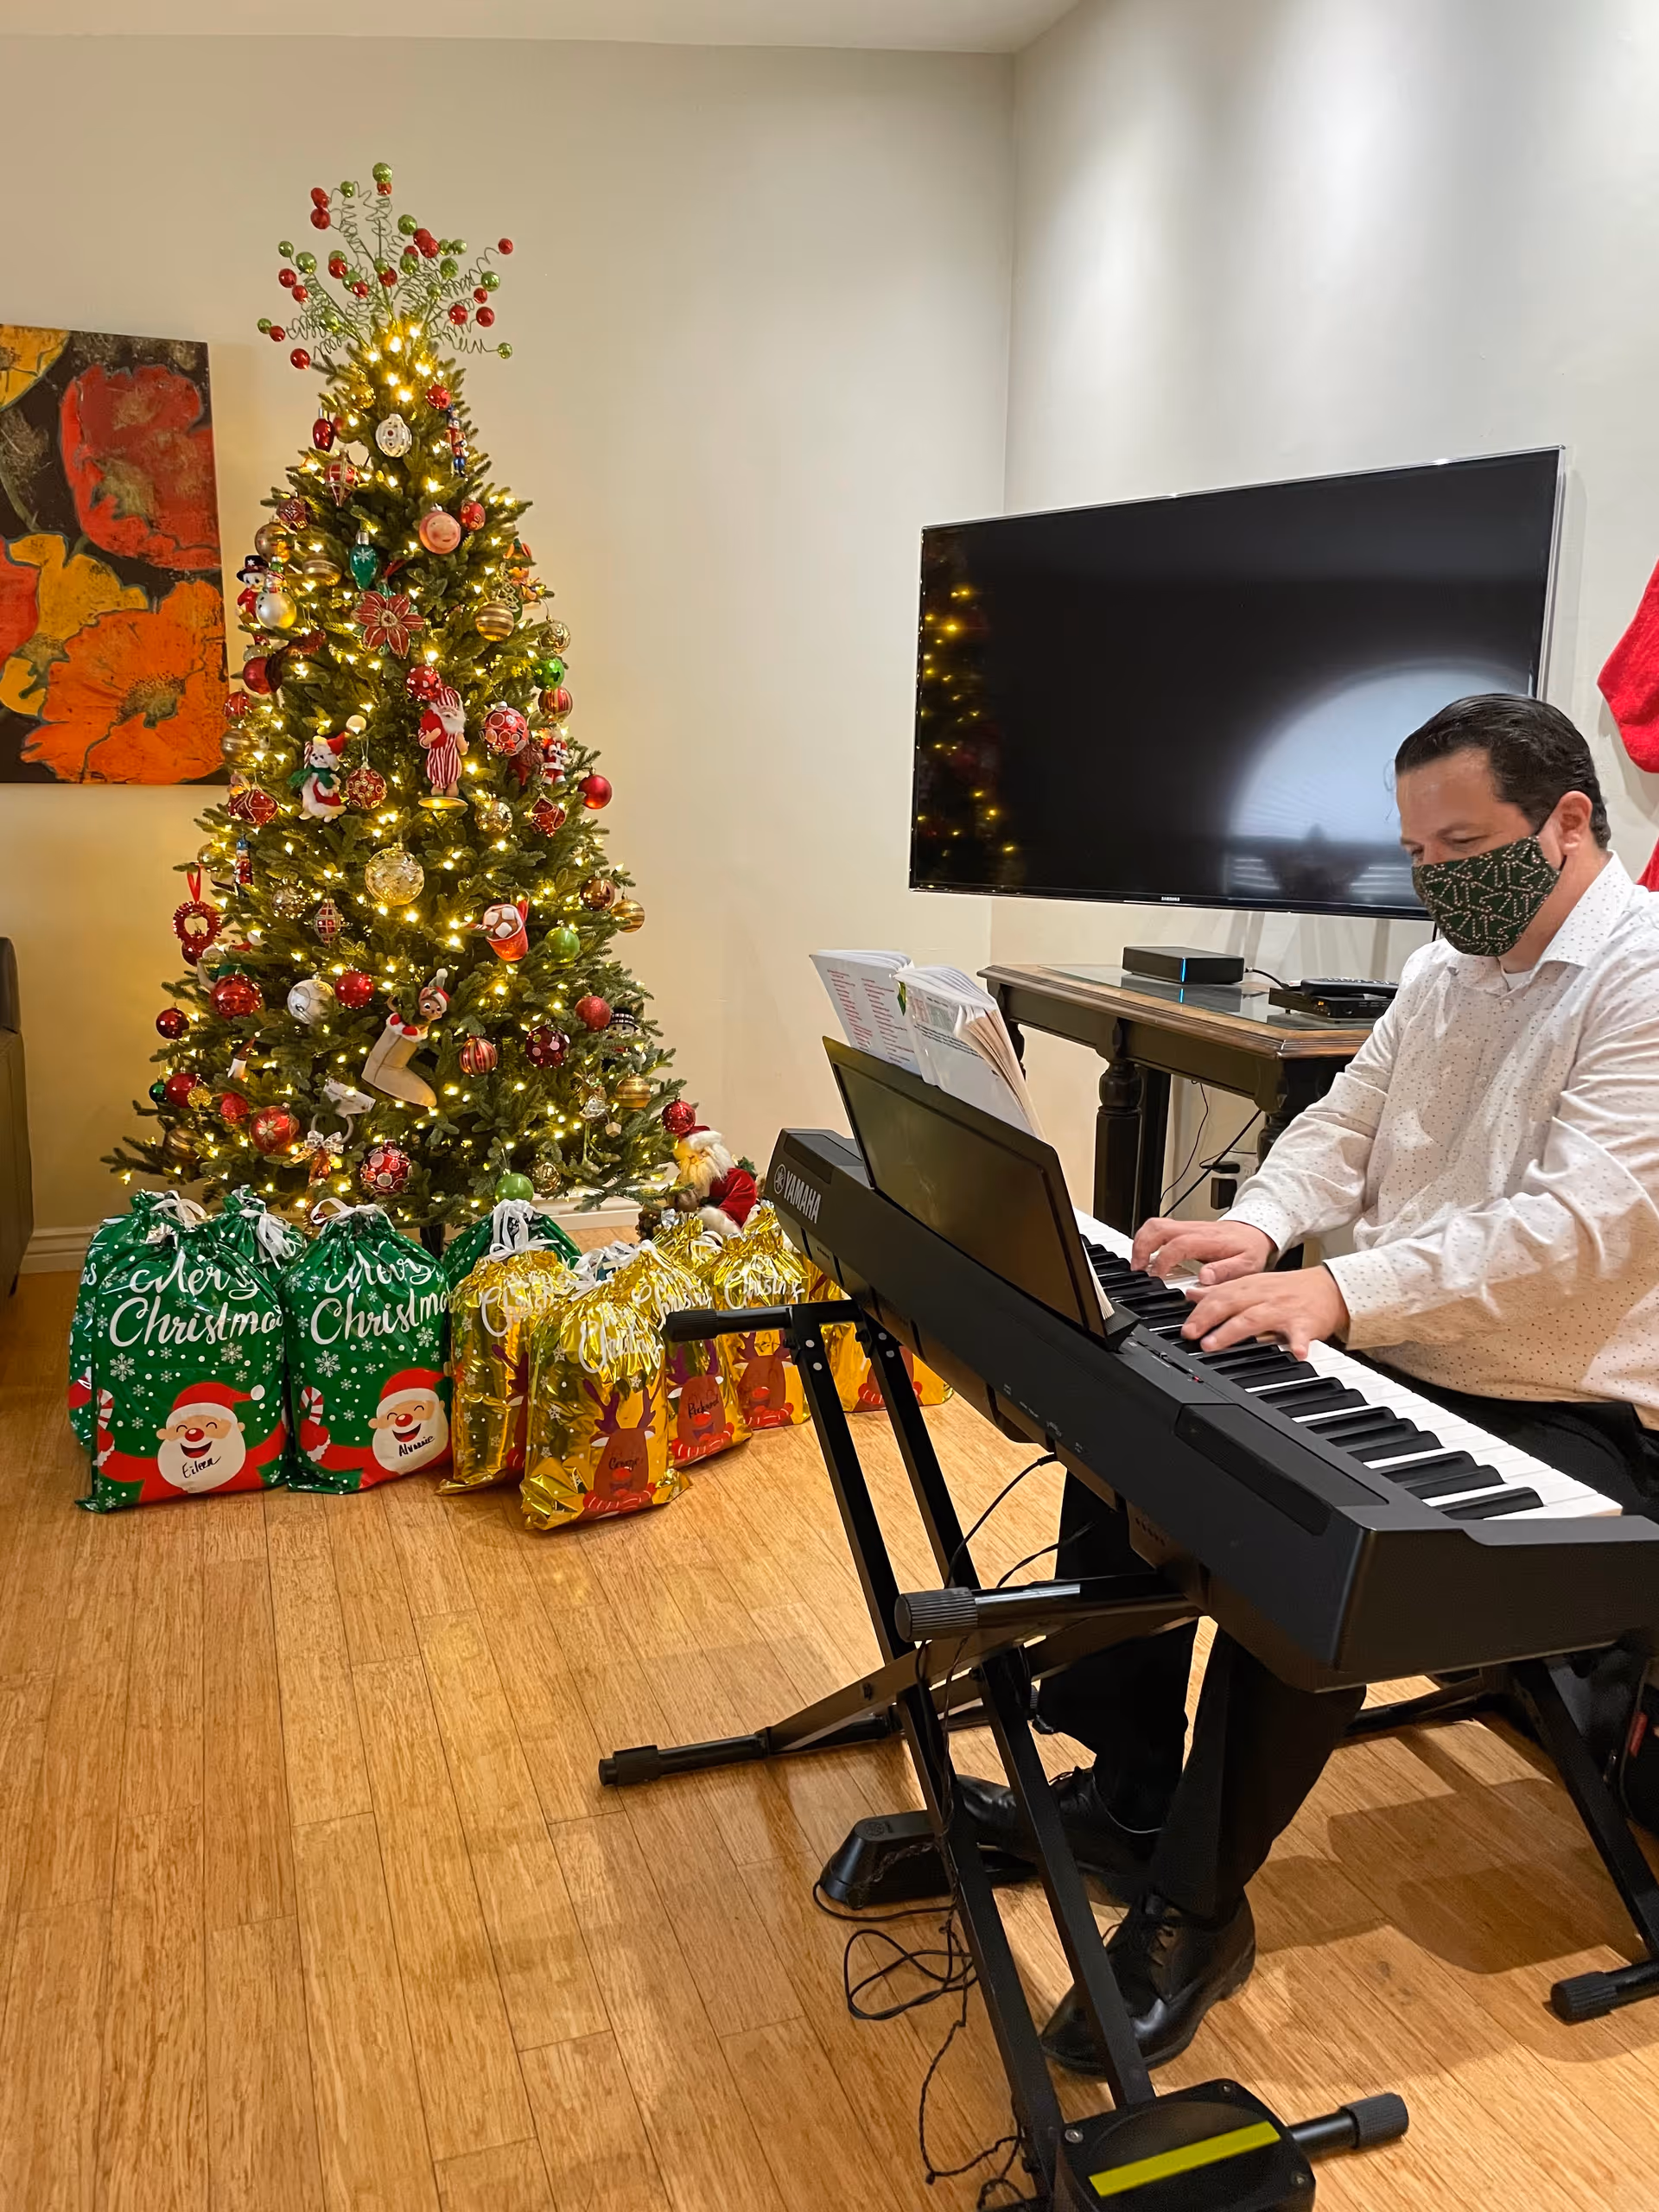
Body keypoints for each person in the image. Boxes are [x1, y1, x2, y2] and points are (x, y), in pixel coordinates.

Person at [961, 693, 1659, 2075]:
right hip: (1409, 1354)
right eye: (1418, 852)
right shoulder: (1451, 971)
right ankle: (1132, 1791)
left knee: (1311, 1530)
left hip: (1572, 1411)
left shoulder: (1642, 977)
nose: (1439, 880)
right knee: (1137, 1394)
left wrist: (1343, 1290)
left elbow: (1585, 1219)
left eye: (1465, 845)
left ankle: (1196, 1907)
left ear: (1570, 821)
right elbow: (1341, 1124)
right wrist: (1261, 1227)